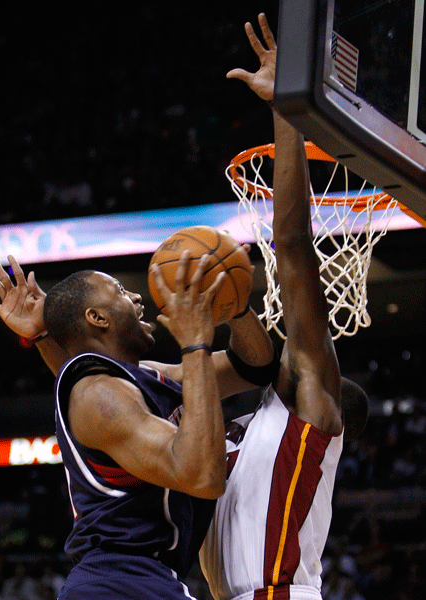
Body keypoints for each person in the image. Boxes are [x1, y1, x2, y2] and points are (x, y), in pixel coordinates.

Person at [0, 251, 276, 600]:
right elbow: (203, 476)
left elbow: (255, 366)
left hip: (140, 579)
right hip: (119, 583)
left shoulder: (137, 378)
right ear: (97, 318)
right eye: (121, 290)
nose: (137, 296)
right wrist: (195, 343)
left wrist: (236, 306)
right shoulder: (100, 396)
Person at [198, 14, 368, 600]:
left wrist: (288, 115)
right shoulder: (245, 433)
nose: (297, 342)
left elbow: (294, 247)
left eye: (306, 349)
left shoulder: (314, 419)